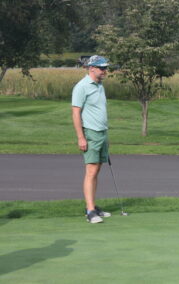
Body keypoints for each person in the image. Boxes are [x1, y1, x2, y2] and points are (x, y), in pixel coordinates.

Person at [72, 55, 112, 224]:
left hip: (102, 132)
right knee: (91, 171)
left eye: (105, 68)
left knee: (97, 170)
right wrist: (81, 137)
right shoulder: (82, 87)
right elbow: (75, 112)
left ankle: (92, 205)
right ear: (92, 68)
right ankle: (90, 212)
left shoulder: (100, 85)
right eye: (102, 68)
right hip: (90, 133)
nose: (105, 71)